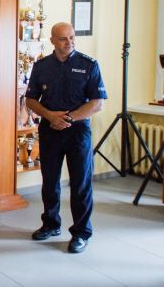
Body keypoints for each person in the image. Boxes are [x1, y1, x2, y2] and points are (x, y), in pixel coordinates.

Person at [25, 22, 106, 254]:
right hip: (50, 129)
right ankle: (51, 224)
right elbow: (31, 100)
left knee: (80, 184)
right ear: (52, 40)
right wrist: (51, 116)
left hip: (77, 131)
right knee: (50, 181)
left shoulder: (89, 65)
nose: (69, 42)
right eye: (63, 38)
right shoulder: (41, 66)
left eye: (71, 37)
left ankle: (81, 233)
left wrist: (68, 118)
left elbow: (97, 103)